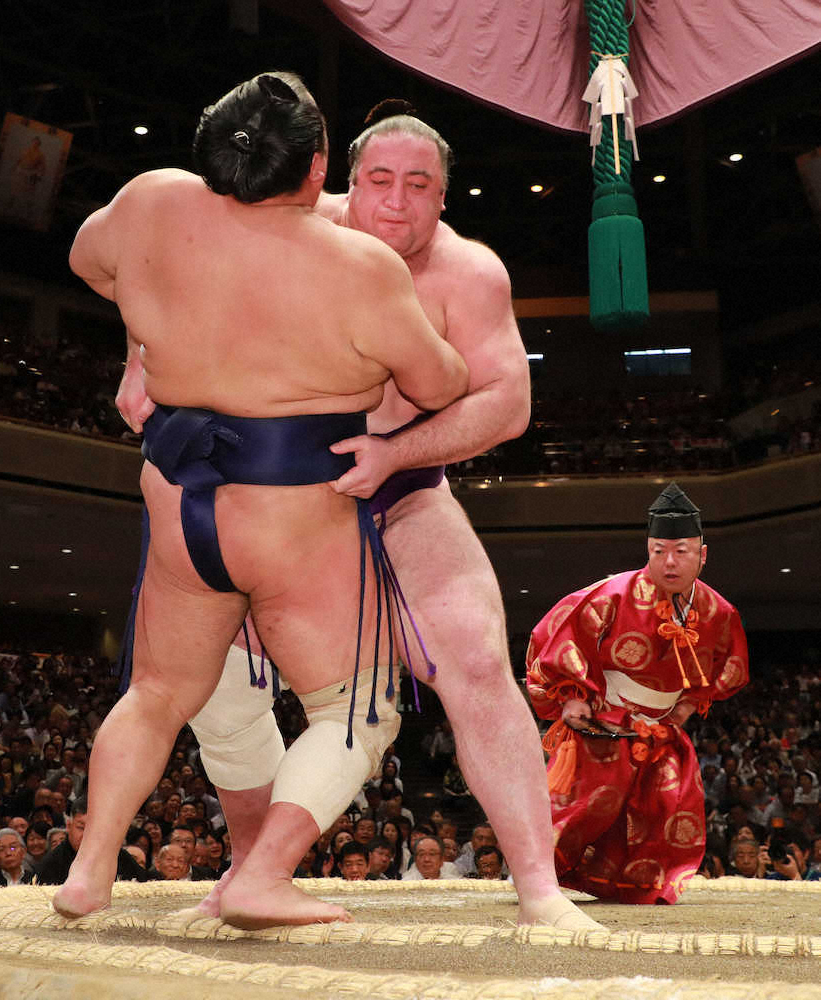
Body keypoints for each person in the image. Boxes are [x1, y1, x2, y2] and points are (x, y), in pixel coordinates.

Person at [55, 73, 466, 928]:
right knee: (360, 706)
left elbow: (90, 262)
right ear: (319, 171)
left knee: (158, 694)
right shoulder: (359, 265)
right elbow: (437, 384)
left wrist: (152, 329)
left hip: (180, 504)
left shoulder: (149, 201)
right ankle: (261, 874)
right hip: (292, 520)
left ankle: (89, 870)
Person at [186, 101, 598, 931]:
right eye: (380, 181)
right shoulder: (287, 224)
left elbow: (509, 403)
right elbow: (167, 262)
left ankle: (539, 888)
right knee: (215, 673)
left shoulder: (470, 273)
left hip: (405, 487)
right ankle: (246, 869)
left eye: (421, 185)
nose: (398, 201)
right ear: (346, 182)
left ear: (444, 196)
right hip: (280, 496)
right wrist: (136, 363)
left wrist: (395, 453)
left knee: (479, 661)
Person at [526, 482, 749, 904]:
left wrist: (686, 704)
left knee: (663, 806)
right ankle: (536, 878)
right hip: (604, 719)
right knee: (586, 809)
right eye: (659, 550)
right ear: (647, 550)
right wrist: (572, 695)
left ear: (702, 554)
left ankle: (639, 886)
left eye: (681, 551)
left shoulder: (719, 612)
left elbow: (725, 668)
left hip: (662, 726)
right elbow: (559, 635)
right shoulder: (610, 595)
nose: (669, 562)